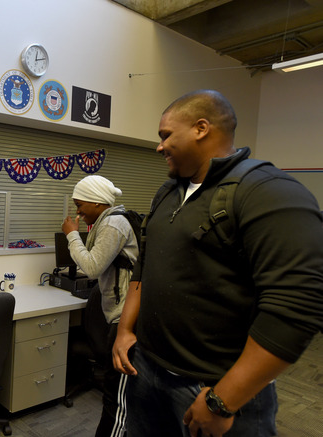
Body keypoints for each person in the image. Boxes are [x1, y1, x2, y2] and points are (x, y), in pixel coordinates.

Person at [112, 90, 323, 437]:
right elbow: (144, 266)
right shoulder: (168, 192)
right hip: (148, 370)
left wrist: (223, 400)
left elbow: (297, 309)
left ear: (201, 128)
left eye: (166, 135)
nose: (159, 146)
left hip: (214, 389)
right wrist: (124, 331)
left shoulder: (267, 191)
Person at [62, 175, 138, 437]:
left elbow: (92, 267)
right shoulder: (105, 222)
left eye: (80, 204)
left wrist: (72, 235)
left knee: (116, 398)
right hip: (116, 313)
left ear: (97, 202)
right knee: (115, 391)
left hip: (125, 318)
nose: (78, 212)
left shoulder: (114, 224)